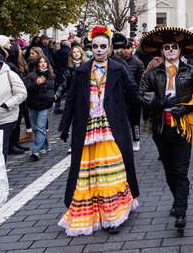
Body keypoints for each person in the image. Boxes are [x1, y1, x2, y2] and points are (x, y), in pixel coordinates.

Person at [57, 26, 139, 236]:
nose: (100, 50)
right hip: (88, 129)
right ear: (90, 48)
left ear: (110, 48)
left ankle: (113, 216)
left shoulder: (119, 69)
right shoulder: (82, 71)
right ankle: (94, 213)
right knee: (89, 173)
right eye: (95, 47)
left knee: (111, 172)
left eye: (104, 46)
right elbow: (73, 100)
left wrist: (155, 100)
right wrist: (64, 126)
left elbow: (133, 92)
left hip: (112, 128)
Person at [137, 27, 193, 229]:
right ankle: (177, 200)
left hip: (183, 128)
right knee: (169, 170)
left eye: (174, 47)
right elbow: (140, 96)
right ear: (162, 51)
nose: (170, 50)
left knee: (181, 171)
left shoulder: (191, 71)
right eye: (167, 47)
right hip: (161, 129)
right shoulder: (153, 73)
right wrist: (158, 103)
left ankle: (181, 211)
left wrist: (187, 108)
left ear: (180, 51)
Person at [24, 56, 55, 161]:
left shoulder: (50, 74)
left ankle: (35, 151)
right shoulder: (31, 75)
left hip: (45, 104)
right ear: (37, 64)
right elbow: (26, 88)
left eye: (44, 62)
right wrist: (36, 84)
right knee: (34, 128)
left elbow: (54, 87)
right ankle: (45, 145)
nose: (43, 64)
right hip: (33, 104)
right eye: (40, 62)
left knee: (40, 127)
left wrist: (54, 96)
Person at [118, 39, 145, 152]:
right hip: (121, 96)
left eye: (128, 48)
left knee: (135, 120)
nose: (125, 51)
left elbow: (141, 81)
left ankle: (136, 139)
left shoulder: (138, 63)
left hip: (134, 96)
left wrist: (139, 94)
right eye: (124, 48)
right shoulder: (117, 61)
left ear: (132, 48)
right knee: (122, 119)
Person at [52, 41, 71, 114]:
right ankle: (68, 107)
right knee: (69, 90)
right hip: (67, 72)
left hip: (59, 72)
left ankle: (57, 107)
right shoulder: (70, 53)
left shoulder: (57, 52)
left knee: (60, 90)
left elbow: (54, 62)